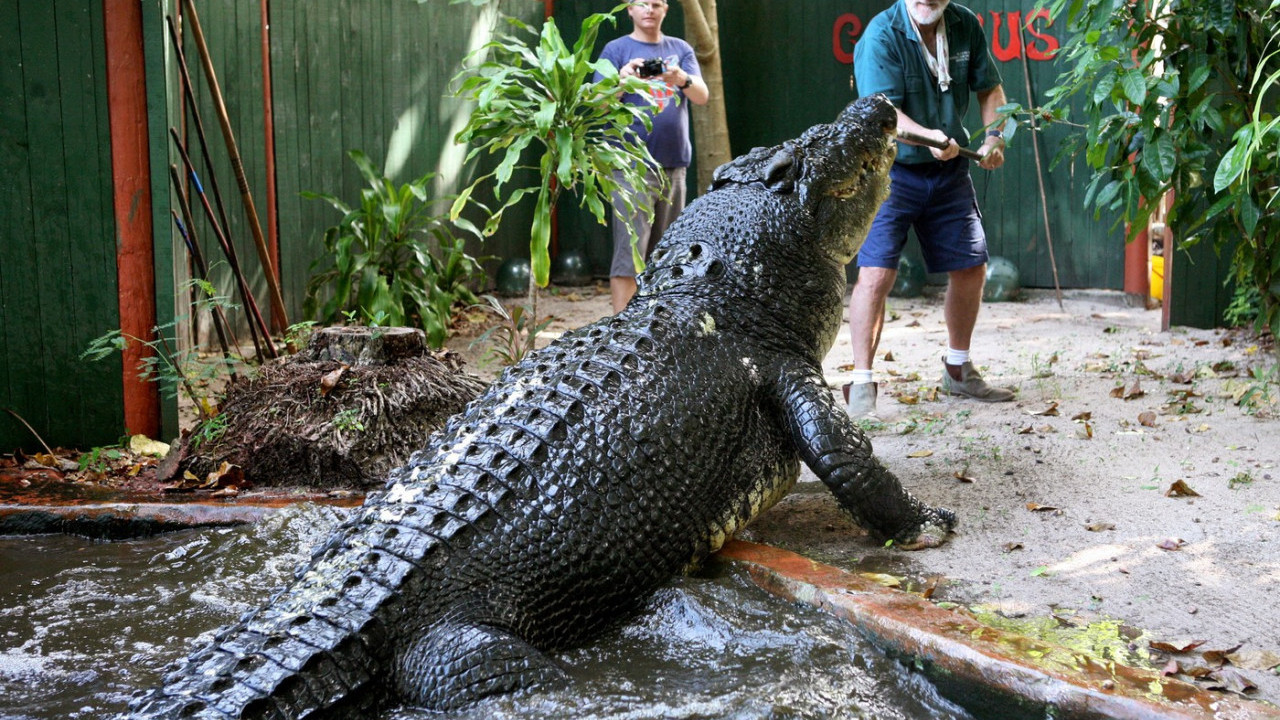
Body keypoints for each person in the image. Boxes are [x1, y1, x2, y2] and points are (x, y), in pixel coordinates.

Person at [844, 0, 1015, 419]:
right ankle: (861, 383)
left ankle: (957, 369)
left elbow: (992, 90)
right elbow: (886, 116)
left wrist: (996, 137)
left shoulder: (965, 24)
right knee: (877, 273)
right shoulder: (881, 35)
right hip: (890, 170)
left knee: (971, 266)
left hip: (950, 170)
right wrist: (932, 138)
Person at [597, 0, 709, 313]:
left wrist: (680, 78)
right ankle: (622, 331)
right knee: (629, 253)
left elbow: (702, 96)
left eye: (657, 3)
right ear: (629, 9)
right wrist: (622, 80)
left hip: (673, 168)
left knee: (669, 254)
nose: (649, 9)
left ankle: (657, 326)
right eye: (642, 3)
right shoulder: (616, 49)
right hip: (630, 167)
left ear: (665, 10)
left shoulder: (680, 49)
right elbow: (597, 103)